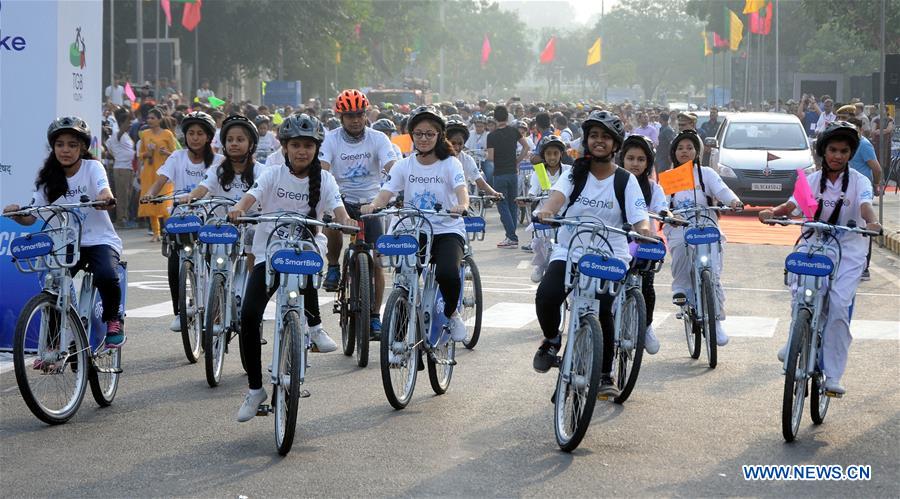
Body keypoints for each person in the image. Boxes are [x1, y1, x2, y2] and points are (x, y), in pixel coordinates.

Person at [229, 114, 351, 422]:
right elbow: (250, 197)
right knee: (249, 317)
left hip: (305, 252)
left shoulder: (325, 179)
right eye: (296, 145)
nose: (302, 151)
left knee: (306, 263)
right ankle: (256, 389)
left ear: (316, 148)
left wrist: (346, 221)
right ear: (284, 147)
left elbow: (338, 209)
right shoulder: (271, 174)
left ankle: (315, 326)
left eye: (308, 146)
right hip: (268, 253)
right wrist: (239, 209)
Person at [531, 111, 651, 397]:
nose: (599, 141)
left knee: (603, 308)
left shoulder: (625, 180)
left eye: (605, 137)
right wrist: (546, 211)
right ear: (587, 140)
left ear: (615, 144)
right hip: (570, 251)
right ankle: (551, 340)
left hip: (609, 257)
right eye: (594, 136)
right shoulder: (575, 173)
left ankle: (606, 373)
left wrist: (645, 231)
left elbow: (639, 218)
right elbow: (556, 198)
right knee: (546, 296)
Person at [759, 121, 881, 395]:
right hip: (813, 244)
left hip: (849, 250)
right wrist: (772, 212)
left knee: (838, 305)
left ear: (850, 154)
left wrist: (872, 223)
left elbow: (864, 207)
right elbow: (792, 205)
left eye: (844, 151)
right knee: (800, 292)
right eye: (833, 150)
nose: (838, 155)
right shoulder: (810, 179)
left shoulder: (860, 181)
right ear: (823, 151)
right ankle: (795, 339)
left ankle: (834, 375)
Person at [4, 117, 125, 348]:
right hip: (65, 243)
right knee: (53, 284)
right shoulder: (47, 179)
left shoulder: (93, 167)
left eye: (72, 144)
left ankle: (113, 320)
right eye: (60, 144)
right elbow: (32, 216)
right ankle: (57, 341)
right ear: (53, 147)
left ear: (82, 147)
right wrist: (17, 213)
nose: (65, 150)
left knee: (107, 276)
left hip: (99, 241)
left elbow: (104, 190)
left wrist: (104, 198)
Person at [361, 106, 470, 342]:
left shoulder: (451, 164)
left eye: (429, 134)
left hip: (446, 230)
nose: (423, 138)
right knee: (404, 280)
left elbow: (462, 191)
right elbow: (386, 192)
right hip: (413, 231)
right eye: (418, 133)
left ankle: (452, 313)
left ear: (439, 135)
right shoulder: (404, 165)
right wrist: (374, 205)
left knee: (448, 274)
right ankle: (400, 341)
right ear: (412, 135)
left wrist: (461, 205)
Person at [319, 89, 397, 335]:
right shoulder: (331, 139)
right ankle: (332, 266)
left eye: (359, 114)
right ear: (340, 117)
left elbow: (392, 166)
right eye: (349, 115)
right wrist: (327, 197)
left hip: (372, 201)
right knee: (330, 220)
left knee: (376, 263)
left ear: (366, 114)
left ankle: (375, 315)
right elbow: (323, 169)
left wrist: (398, 187)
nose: (355, 119)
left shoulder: (378, 139)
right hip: (341, 197)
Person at [142, 111, 223, 331]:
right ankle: (179, 312)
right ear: (184, 136)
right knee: (175, 260)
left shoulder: (218, 161)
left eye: (200, 133)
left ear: (208, 137)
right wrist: (150, 193)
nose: (195, 137)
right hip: (183, 216)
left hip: (210, 216)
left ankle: (216, 312)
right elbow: (161, 181)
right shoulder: (176, 157)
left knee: (215, 263)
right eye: (190, 133)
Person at [665, 129, 743, 347]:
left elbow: (722, 190)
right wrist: (669, 215)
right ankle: (682, 288)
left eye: (690, 147)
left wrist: (734, 202)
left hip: (706, 225)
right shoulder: (670, 176)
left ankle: (716, 321)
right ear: (674, 152)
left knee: (714, 274)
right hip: (680, 225)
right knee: (680, 247)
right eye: (680, 148)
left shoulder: (706, 173)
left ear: (697, 151)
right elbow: (662, 204)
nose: (685, 151)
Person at [618, 135, 667, 355]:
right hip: (617, 243)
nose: (635, 163)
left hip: (644, 244)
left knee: (647, 285)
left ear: (648, 163)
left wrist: (666, 214)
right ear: (622, 159)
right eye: (630, 158)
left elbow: (662, 208)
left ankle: (646, 327)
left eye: (640, 159)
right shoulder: (614, 182)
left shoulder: (654, 188)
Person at [520, 134, 570, 283]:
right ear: (544, 156)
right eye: (548, 154)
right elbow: (533, 191)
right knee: (539, 241)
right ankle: (540, 266)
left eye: (556, 153)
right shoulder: (539, 172)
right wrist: (527, 199)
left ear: (561, 154)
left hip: (563, 214)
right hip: (543, 215)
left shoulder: (568, 171)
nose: (552, 157)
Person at [487, 105, 531, 249]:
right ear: (507, 117)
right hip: (513, 172)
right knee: (512, 204)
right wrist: (517, 161)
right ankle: (511, 236)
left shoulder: (491, 136)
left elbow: (491, 157)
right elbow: (526, 147)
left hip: (499, 174)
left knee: (502, 205)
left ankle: (512, 237)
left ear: (495, 118)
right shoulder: (514, 131)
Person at [137, 107, 178, 242]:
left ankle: (169, 232)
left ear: (160, 120)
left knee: (165, 203)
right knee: (150, 202)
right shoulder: (145, 134)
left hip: (164, 173)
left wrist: (165, 152)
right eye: (148, 118)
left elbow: (176, 155)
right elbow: (140, 154)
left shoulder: (167, 134)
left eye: (153, 118)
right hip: (149, 172)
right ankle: (156, 233)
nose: (150, 120)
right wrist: (147, 153)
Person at [445, 119, 503, 198]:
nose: (456, 147)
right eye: (453, 143)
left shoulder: (467, 159)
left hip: (460, 204)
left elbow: (480, 181)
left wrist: (494, 193)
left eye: (460, 144)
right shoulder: (435, 158)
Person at [106, 107, 136, 227]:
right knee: (122, 195)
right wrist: (129, 115)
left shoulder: (126, 136)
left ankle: (125, 217)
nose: (129, 125)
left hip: (128, 169)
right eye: (128, 123)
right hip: (121, 169)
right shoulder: (117, 134)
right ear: (122, 123)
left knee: (127, 195)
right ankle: (121, 220)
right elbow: (109, 148)